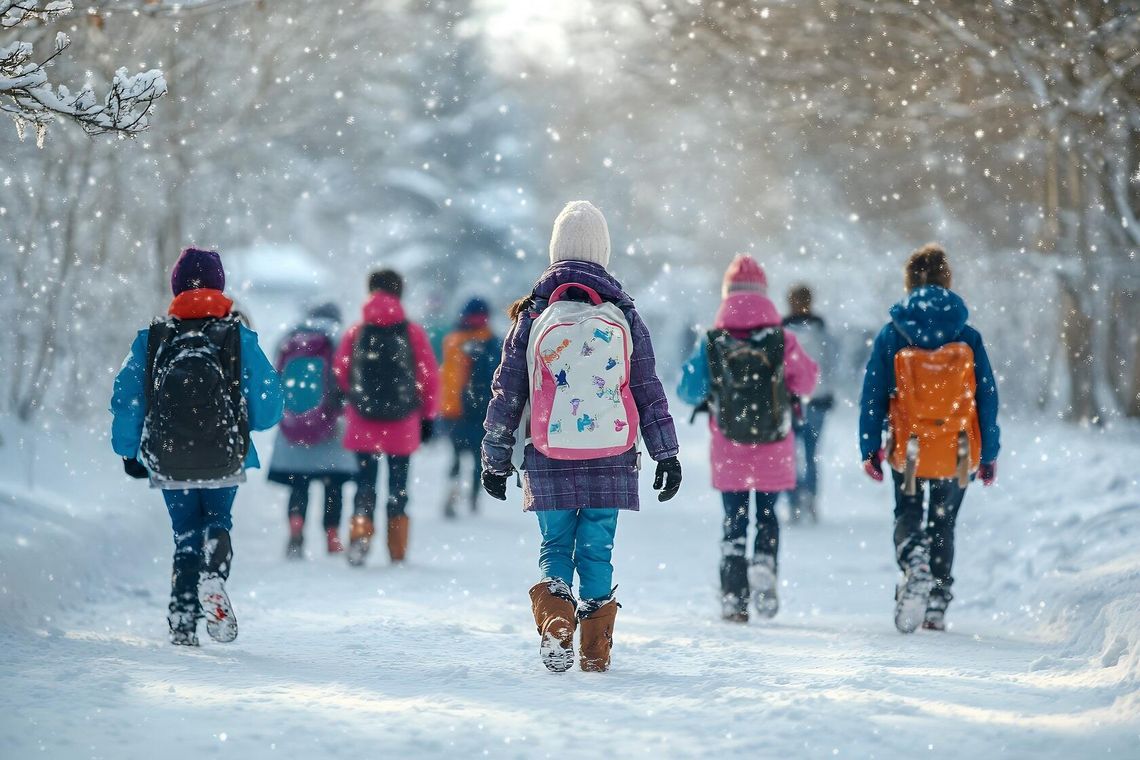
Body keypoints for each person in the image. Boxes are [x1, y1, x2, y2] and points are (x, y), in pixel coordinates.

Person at [481, 200, 682, 673]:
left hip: (546, 452)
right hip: (611, 453)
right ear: (604, 254)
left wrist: (495, 456)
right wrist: (666, 454)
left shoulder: (531, 316)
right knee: (597, 545)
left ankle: (555, 615)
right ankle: (595, 645)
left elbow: (506, 393)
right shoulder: (625, 315)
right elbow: (647, 389)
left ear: (554, 253)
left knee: (555, 546)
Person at [110, 247, 283, 646]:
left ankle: (183, 618)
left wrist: (127, 450)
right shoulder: (238, 337)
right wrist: (247, 423)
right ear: (219, 286)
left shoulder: (152, 338)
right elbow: (269, 401)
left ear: (176, 287)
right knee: (216, 522)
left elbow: (127, 399)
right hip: (224, 455)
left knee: (185, 532)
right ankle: (213, 576)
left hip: (168, 457)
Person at [859, 243, 999, 633]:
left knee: (908, 512)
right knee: (944, 521)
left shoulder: (893, 333)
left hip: (909, 447)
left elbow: (872, 395)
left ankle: (914, 561)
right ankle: (936, 602)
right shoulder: (967, 335)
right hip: (957, 447)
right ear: (947, 282)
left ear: (908, 285)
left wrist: (869, 446)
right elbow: (987, 397)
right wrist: (989, 452)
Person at [678, 254, 819, 623]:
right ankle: (765, 562)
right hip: (775, 441)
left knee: (734, 519)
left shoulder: (713, 340)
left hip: (729, 445)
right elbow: (806, 382)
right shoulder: (781, 339)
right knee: (768, 514)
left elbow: (688, 389)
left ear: (728, 294)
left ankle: (734, 598)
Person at [334, 268, 440, 567]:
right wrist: (428, 416)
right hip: (402, 425)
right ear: (400, 292)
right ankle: (397, 548)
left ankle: (360, 538)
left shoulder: (357, 331)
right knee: (398, 487)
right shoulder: (412, 332)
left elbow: (341, 372)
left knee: (364, 486)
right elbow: (429, 376)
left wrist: (355, 400)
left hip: (362, 423)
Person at [267, 303, 359, 558]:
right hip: (331, 426)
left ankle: (296, 530)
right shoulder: (339, 339)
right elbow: (345, 380)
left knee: (299, 483)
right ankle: (332, 536)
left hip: (293, 426)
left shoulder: (289, 340)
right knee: (333, 484)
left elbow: (275, 379)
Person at [438, 297, 502, 518]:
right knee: (476, 457)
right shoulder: (492, 341)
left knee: (459, 455)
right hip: (479, 410)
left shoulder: (453, 339)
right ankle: (472, 496)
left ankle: (454, 493)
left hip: (457, 410)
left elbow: (447, 378)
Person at [782, 285, 837, 523]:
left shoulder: (782, 329)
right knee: (810, 452)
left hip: (790, 400)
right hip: (815, 399)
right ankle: (809, 499)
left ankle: (797, 500)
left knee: (792, 453)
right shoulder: (820, 330)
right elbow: (829, 365)